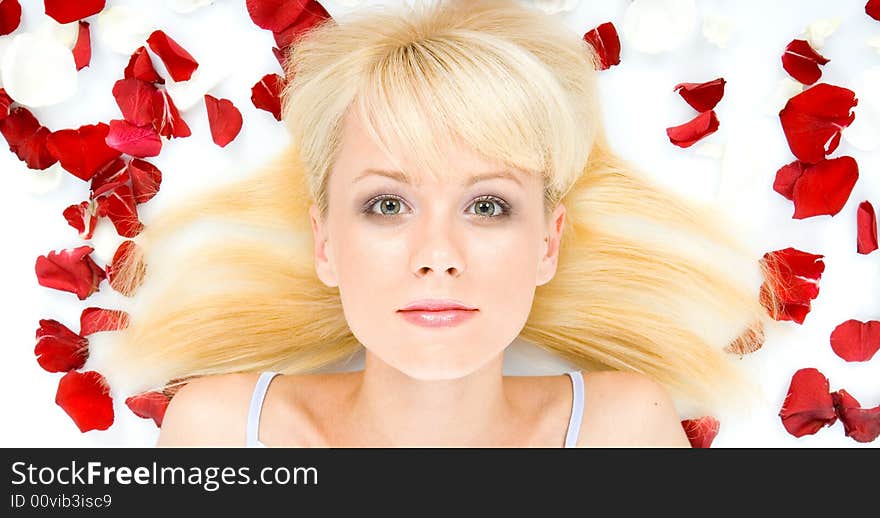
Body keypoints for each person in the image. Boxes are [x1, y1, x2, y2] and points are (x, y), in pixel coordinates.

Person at [102, 0, 781, 447]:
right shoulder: (219, 435)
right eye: (387, 205)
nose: (437, 255)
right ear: (325, 244)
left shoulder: (624, 430)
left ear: (547, 242)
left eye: (487, 206)